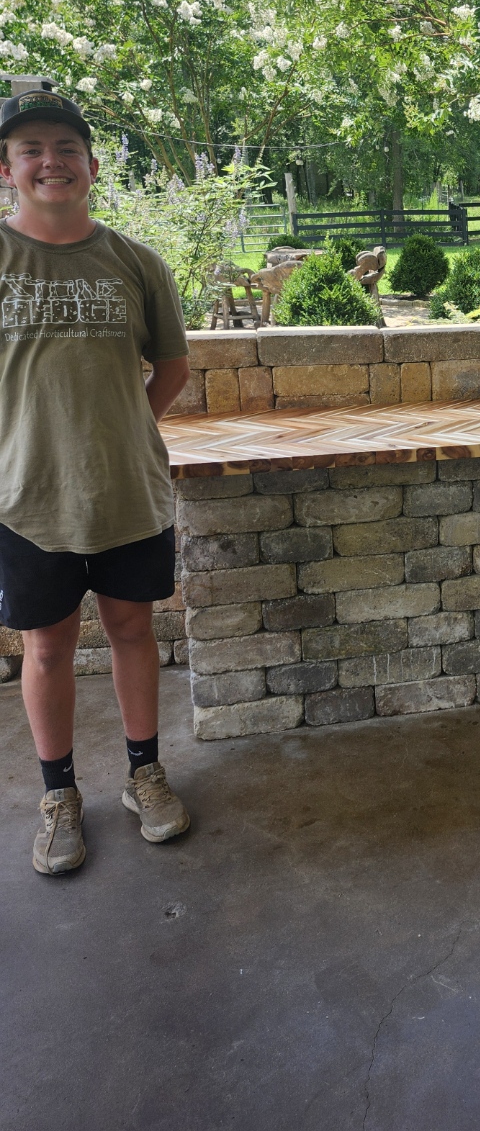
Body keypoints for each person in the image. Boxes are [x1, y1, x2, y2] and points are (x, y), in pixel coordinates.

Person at [0, 87, 191, 874]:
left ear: (93, 165)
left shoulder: (136, 263)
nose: (53, 161)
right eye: (33, 149)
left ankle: (144, 774)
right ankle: (59, 796)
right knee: (45, 651)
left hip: (128, 494)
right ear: (6, 168)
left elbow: (172, 368)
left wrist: (123, 431)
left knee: (132, 632)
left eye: (67, 148)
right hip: (25, 501)